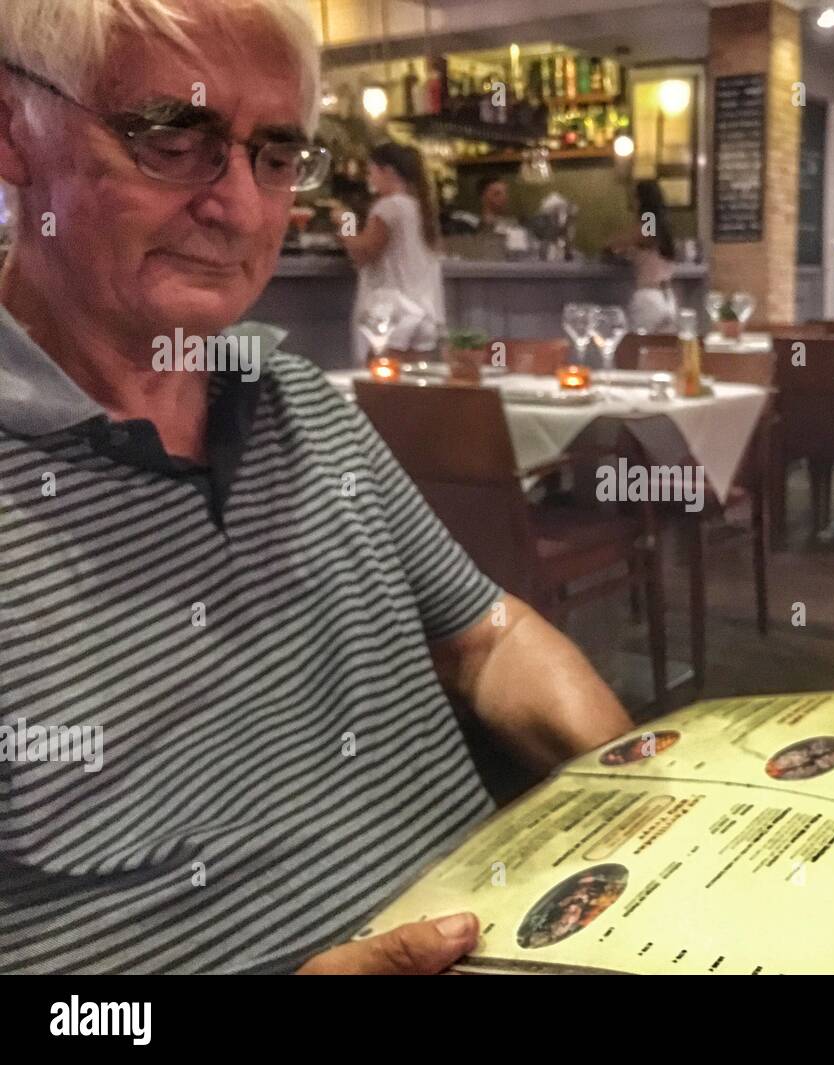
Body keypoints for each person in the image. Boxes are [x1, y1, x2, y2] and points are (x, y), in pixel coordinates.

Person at [0, 0, 632, 975]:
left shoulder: (297, 398)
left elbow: (485, 636)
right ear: (14, 130)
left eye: (276, 156)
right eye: (173, 138)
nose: (242, 208)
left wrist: (645, 793)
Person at [334, 141, 445, 366]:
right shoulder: (419, 207)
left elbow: (364, 252)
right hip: (423, 311)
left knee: (381, 389)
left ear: (388, 171)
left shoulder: (389, 207)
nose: (369, 179)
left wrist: (344, 222)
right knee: (411, 388)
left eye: (371, 171)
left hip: (391, 313)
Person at [607, 179, 677, 333]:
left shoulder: (649, 219)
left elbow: (644, 237)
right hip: (667, 296)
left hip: (649, 298)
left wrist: (614, 243)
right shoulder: (665, 225)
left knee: (641, 348)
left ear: (642, 199)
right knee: (664, 350)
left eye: (635, 197)